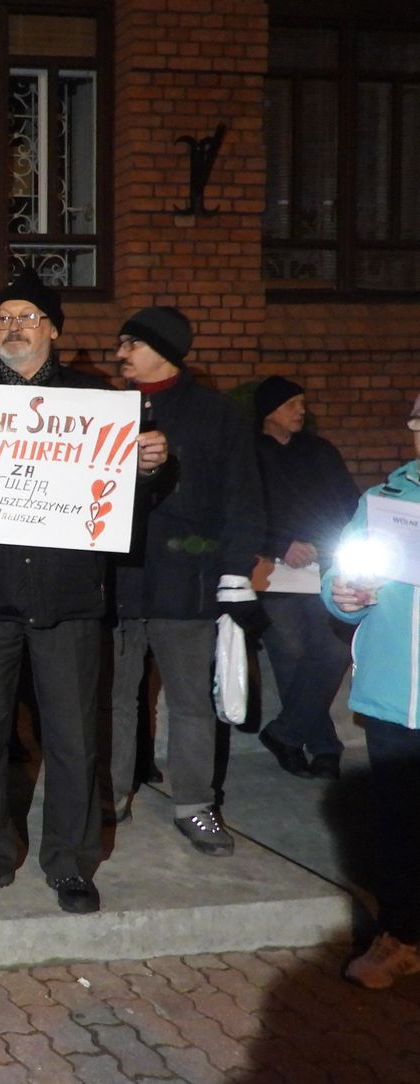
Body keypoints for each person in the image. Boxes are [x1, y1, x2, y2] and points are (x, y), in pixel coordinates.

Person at [0, 270, 169, 916]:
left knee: (72, 739)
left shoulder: (95, 401)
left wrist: (148, 470)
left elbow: (123, 498)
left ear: (53, 329)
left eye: (26, 317)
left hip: (68, 596)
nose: (12, 327)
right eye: (2, 318)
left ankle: (71, 863)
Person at [108, 306, 266, 857]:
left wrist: (233, 570)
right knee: (114, 697)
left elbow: (242, 497)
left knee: (190, 701)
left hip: (188, 582)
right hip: (119, 581)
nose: (120, 353)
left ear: (165, 350)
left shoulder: (217, 415)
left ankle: (194, 803)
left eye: (131, 343)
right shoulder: (109, 411)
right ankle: (112, 794)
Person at [322, 393, 420, 990]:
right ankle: (401, 937)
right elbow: (341, 577)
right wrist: (344, 594)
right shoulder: (383, 501)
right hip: (393, 695)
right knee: (399, 824)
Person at [252, 375, 360, 780]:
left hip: (325, 568)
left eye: (302, 403)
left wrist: (330, 543)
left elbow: (348, 505)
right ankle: (324, 747)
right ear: (268, 412)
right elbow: (240, 510)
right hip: (271, 574)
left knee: (333, 649)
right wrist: (281, 545)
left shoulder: (320, 452)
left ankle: (286, 733)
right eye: (291, 404)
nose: (301, 411)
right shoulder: (247, 454)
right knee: (290, 650)